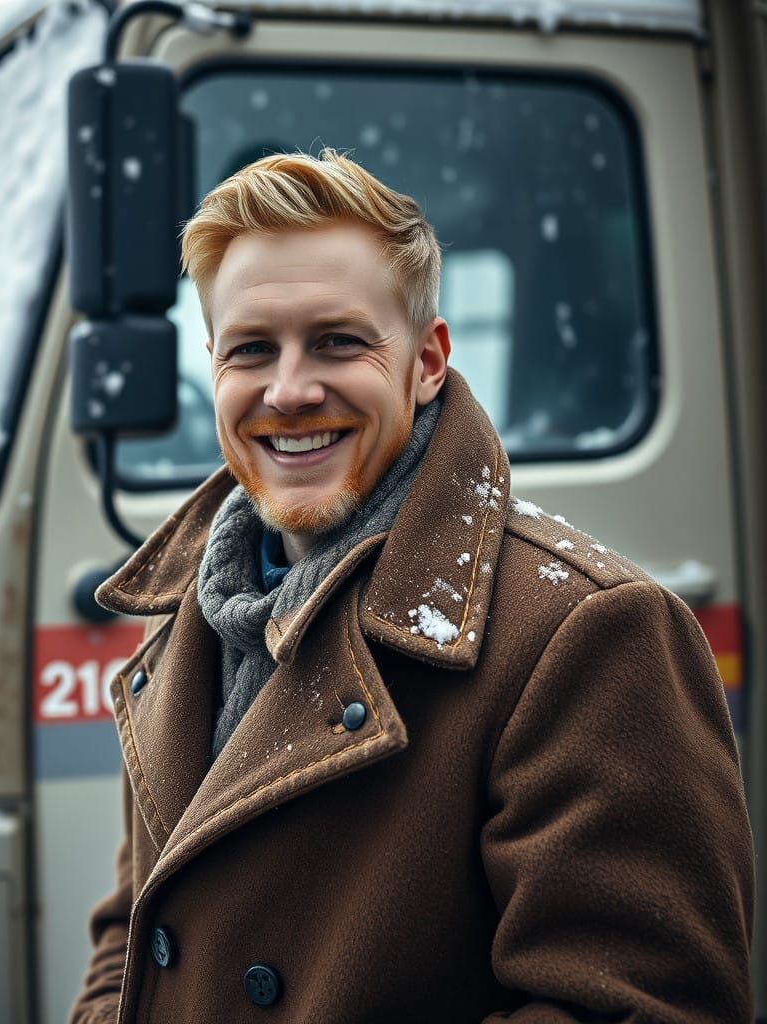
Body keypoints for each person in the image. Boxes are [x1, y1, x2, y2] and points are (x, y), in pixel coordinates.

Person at [69, 150, 754, 1023]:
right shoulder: (184, 615)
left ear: (427, 362)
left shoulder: (586, 632)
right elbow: (136, 935)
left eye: (338, 341)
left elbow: (636, 1008)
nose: (289, 389)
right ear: (213, 367)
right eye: (251, 350)